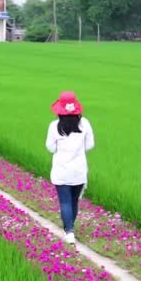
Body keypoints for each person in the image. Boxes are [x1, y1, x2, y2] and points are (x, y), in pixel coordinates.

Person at [45, 91, 95, 245]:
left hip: (61, 170)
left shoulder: (54, 126)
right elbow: (90, 145)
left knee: (65, 202)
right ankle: (70, 229)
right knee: (74, 201)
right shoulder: (84, 124)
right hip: (79, 170)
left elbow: (50, 148)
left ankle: (69, 231)